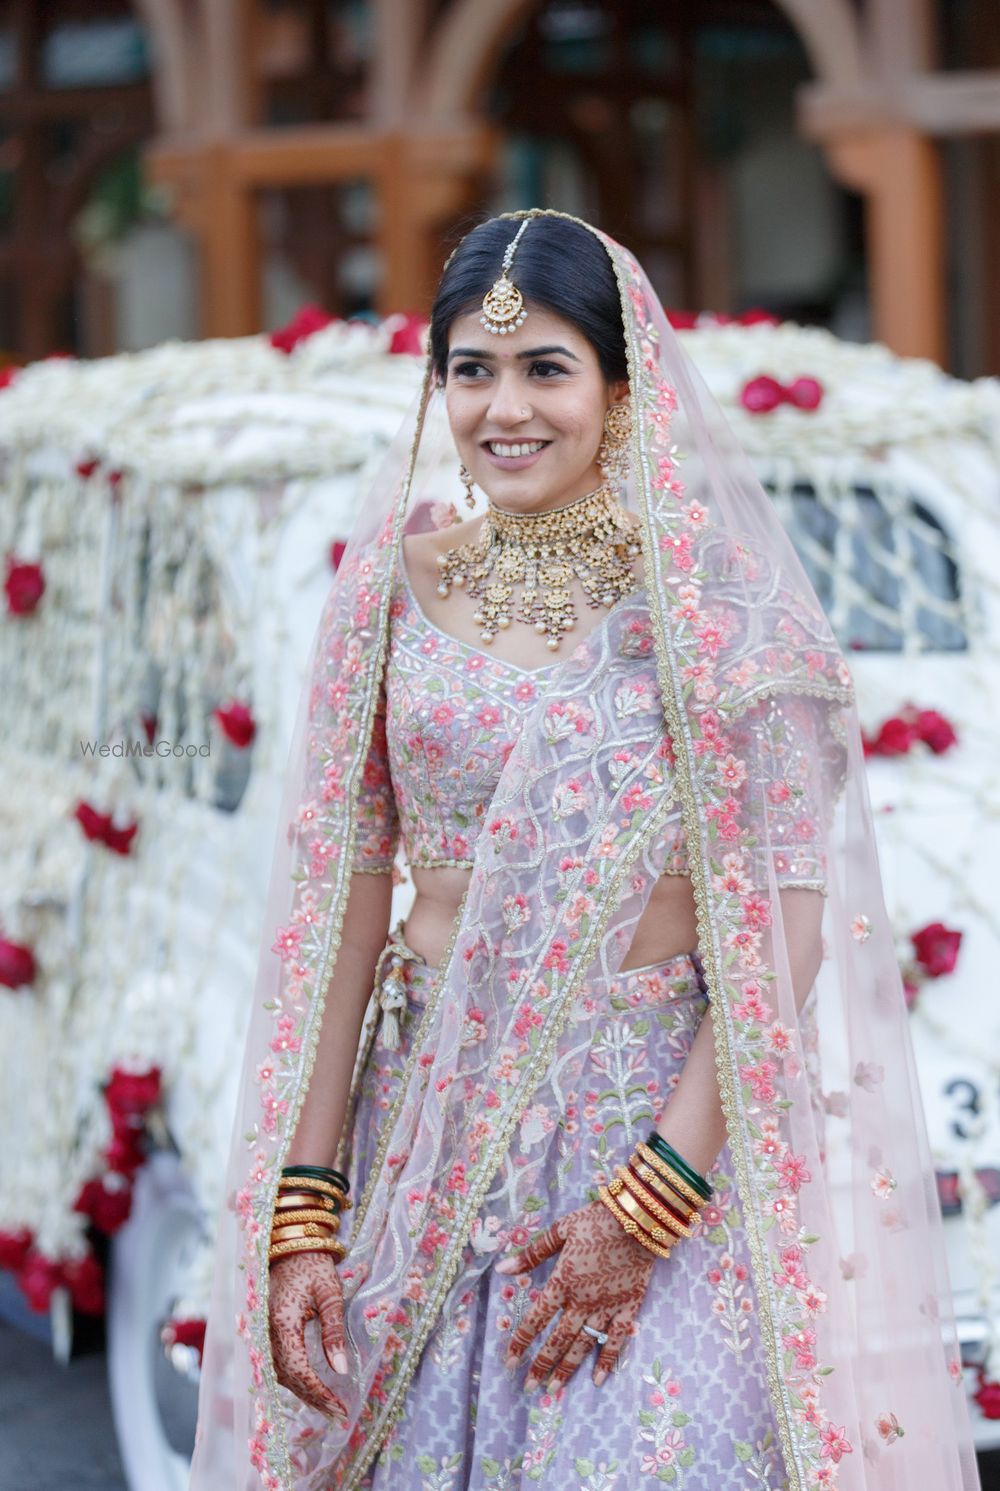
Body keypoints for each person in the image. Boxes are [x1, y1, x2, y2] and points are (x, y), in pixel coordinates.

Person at [189, 211, 981, 1491]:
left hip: (651, 1146)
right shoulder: (393, 594)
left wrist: (647, 1205)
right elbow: (345, 902)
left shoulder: (724, 618)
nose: (505, 407)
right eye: (471, 371)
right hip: (426, 1138)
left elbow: (778, 935)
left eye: (545, 368)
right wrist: (304, 1213)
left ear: (623, 386)